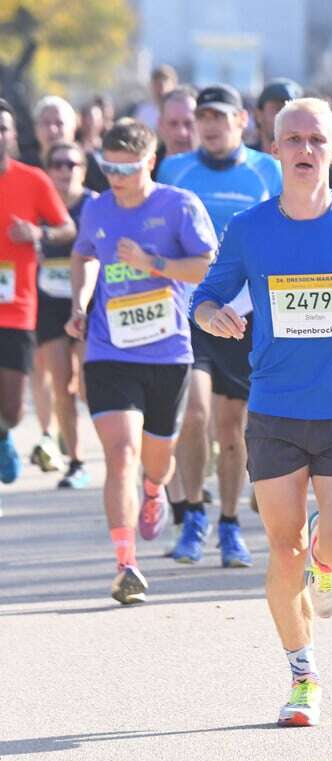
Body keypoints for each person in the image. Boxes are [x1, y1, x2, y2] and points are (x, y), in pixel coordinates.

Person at [191, 97, 332, 727]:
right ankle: (302, 674)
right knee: (282, 552)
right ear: (275, 148)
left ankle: (328, 560)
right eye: (293, 140)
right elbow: (206, 297)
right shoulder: (251, 229)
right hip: (277, 409)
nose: (305, 150)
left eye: (318, 140)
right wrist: (215, 315)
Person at [67, 118, 218, 605]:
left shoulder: (178, 206)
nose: (115, 177)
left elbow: (205, 263)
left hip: (167, 350)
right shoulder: (97, 209)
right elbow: (84, 256)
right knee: (120, 453)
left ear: (149, 162)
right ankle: (125, 564)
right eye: (108, 167)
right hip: (109, 350)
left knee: (155, 461)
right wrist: (79, 302)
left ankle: (155, 491)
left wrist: (152, 265)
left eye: (126, 169)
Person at [157, 83, 283, 566]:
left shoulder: (266, 170)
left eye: (219, 116)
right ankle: (192, 515)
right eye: (202, 116)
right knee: (193, 414)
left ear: (241, 121)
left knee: (232, 430)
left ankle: (230, 524)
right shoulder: (175, 169)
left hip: (248, 313)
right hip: (191, 309)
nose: (209, 125)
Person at [0, 98, 74, 500]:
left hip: (17, 308)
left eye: (2, 129)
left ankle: (4, 434)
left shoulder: (33, 180)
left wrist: (37, 234)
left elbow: (65, 227)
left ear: (12, 136)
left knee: (11, 409)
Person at [33, 141, 96, 488]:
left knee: (89, 386)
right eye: (56, 164)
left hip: (89, 305)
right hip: (49, 305)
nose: (63, 171)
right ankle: (76, 461)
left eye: (71, 164)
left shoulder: (96, 205)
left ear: (83, 169)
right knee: (61, 385)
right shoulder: (38, 206)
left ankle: (118, 449)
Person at [153, 87, 199, 177]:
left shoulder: (218, 169)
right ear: (161, 125)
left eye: (188, 123)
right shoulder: (147, 172)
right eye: (173, 124)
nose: (182, 132)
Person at [253, 78, 304, 153]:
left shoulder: (311, 161)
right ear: (259, 115)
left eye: (293, 111)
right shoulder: (241, 159)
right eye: (279, 109)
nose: (287, 116)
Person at [133, 64, 178, 130]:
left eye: (165, 83)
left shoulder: (180, 110)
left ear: (174, 85)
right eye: (157, 84)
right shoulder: (143, 111)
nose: (161, 89)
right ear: (151, 86)